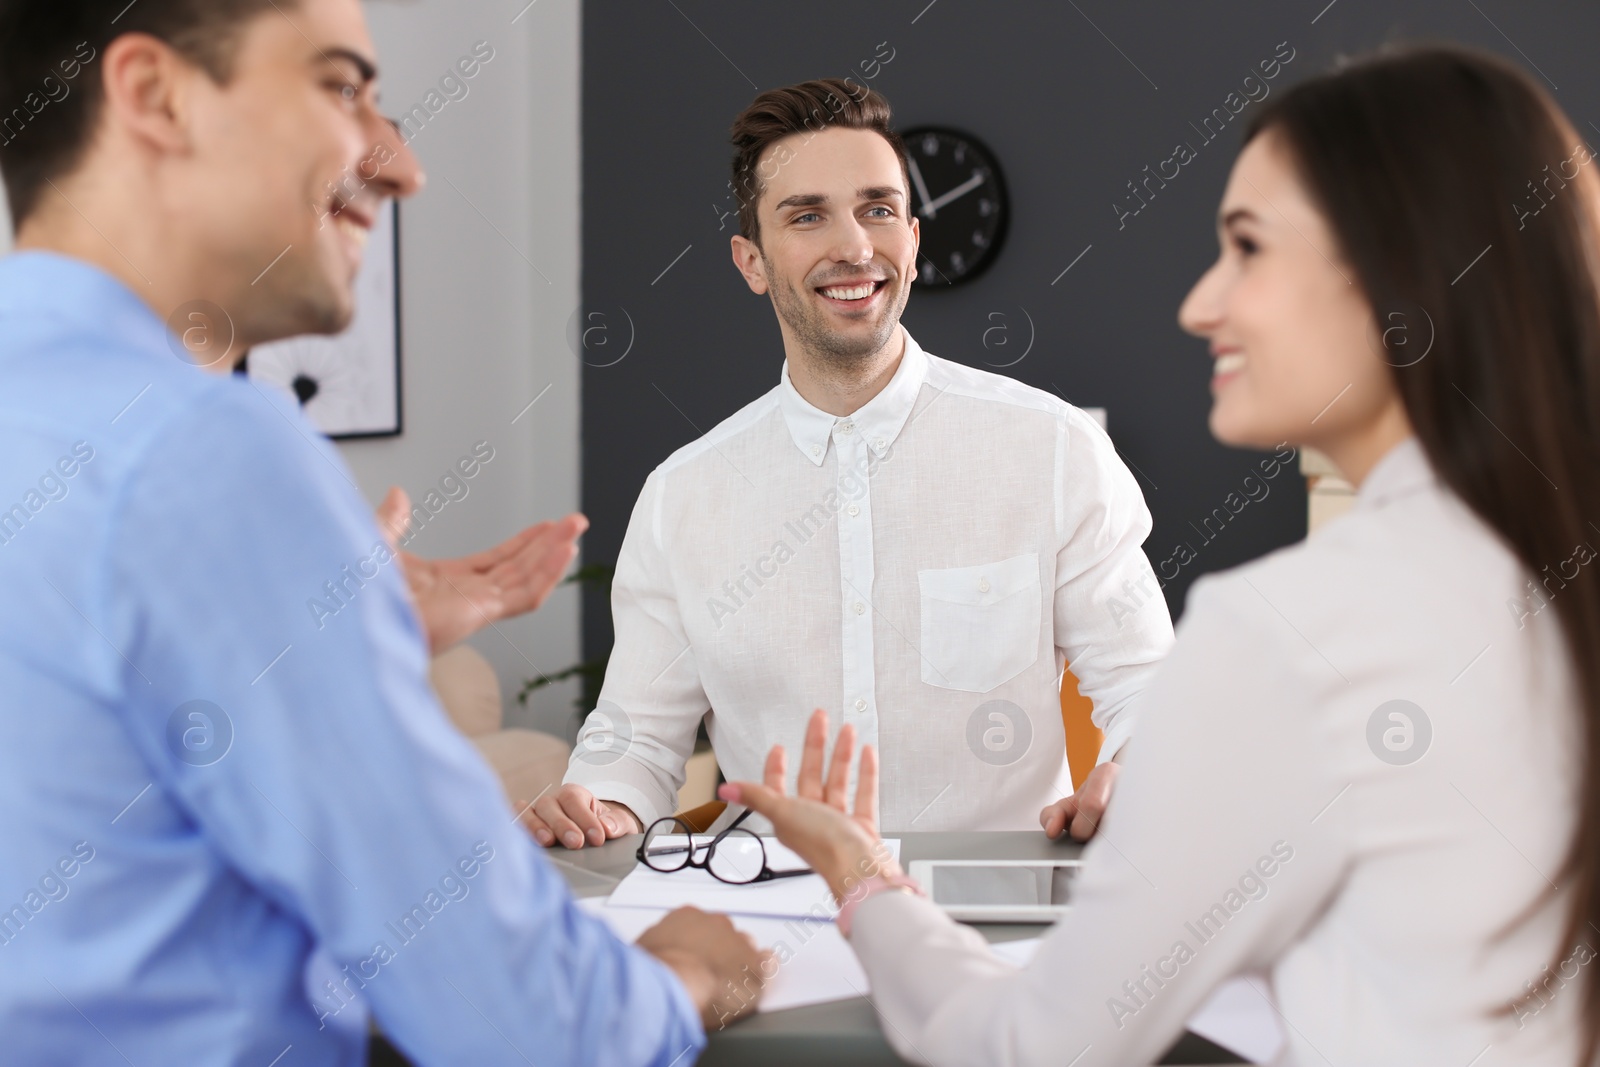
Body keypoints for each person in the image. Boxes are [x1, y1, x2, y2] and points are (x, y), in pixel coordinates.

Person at [720, 45, 1600, 1065]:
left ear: (1390, 275)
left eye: (1248, 247)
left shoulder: (1290, 628)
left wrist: (861, 874)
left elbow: (1028, 1047)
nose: (1200, 304)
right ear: (753, 258)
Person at [0, 2, 767, 1064]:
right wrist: (689, 969)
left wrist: (345, 641)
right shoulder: (209, 452)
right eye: (340, 87)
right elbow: (530, 1027)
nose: (401, 166)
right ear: (153, 94)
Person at [528, 79, 1174, 850]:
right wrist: (598, 804)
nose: (855, 247)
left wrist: (1141, 766)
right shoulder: (682, 499)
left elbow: (1149, 687)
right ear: (752, 261)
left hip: (993, 920)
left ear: (913, 235)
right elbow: (634, 742)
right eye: (807, 216)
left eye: (878, 209)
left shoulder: (1052, 449)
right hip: (771, 911)